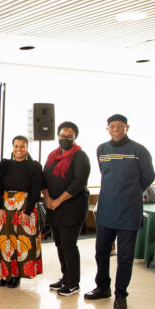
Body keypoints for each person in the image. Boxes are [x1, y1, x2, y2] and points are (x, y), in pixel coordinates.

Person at [85, 114, 154, 309]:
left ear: (127, 127)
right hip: (107, 208)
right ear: (107, 129)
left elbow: (148, 176)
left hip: (129, 210)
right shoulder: (102, 149)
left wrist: (131, 191)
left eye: (120, 126)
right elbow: (105, 173)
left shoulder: (139, 150)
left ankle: (121, 294)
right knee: (101, 253)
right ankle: (102, 287)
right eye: (112, 126)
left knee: (125, 257)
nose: (116, 129)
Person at [42, 122, 91, 296]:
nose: (65, 139)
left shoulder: (80, 156)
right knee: (59, 244)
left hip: (71, 207)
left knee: (69, 245)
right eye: (63, 136)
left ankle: (73, 283)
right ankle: (66, 276)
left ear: (75, 137)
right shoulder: (52, 156)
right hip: (53, 207)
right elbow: (44, 178)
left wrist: (58, 201)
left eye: (69, 137)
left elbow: (78, 183)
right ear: (58, 135)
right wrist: (48, 198)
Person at [0, 135, 43, 288]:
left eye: (22, 146)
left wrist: (28, 211)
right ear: (12, 147)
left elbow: (35, 191)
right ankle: (5, 274)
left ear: (26, 148)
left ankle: (17, 275)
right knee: (4, 241)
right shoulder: (5, 164)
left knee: (21, 243)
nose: (19, 149)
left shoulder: (34, 166)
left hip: (25, 207)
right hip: (6, 207)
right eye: (16, 146)